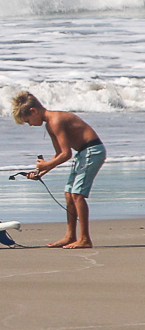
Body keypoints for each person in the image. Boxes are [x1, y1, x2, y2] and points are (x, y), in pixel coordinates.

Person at [11, 91, 105, 249]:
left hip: (92, 151)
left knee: (77, 194)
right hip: (82, 153)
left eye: (28, 121)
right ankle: (70, 236)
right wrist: (40, 172)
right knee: (69, 194)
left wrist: (46, 165)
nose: (30, 124)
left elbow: (66, 154)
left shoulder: (55, 120)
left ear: (33, 111)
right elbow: (59, 154)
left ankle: (85, 239)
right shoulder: (49, 125)